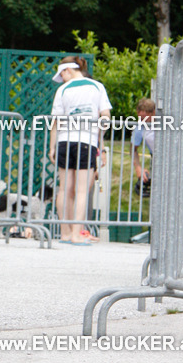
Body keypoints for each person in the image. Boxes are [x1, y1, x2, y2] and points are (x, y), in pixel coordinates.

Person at [48, 56, 111, 246]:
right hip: (86, 140)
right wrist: (99, 137)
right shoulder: (97, 87)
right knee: (82, 190)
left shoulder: (62, 90)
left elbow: (55, 121)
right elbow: (105, 116)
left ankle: (65, 233)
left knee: (64, 189)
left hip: (64, 141)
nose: (62, 78)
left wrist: (52, 146)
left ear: (67, 70)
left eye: (62, 75)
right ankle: (77, 233)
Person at [132, 97, 155, 195]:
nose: (143, 121)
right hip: (156, 159)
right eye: (140, 118)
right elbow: (133, 149)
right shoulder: (139, 127)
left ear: (153, 113)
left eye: (146, 118)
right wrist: (138, 167)